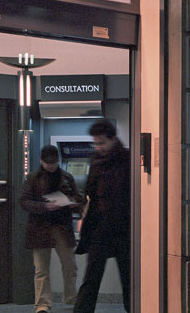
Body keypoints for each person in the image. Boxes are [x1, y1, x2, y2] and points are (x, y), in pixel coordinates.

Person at [19, 145, 87, 313]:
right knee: (41, 269)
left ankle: (71, 298)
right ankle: (42, 304)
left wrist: (73, 202)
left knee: (70, 265)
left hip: (61, 227)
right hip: (40, 228)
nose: (51, 166)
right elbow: (24, 201)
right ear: (41, 161)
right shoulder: (33, 178)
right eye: (48, 163)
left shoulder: (66, 177)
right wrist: (44, 206)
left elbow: (78, 198)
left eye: (54, 162)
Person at [74, 120, 132, 313]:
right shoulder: (95, 160)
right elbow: (90, 191)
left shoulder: (128, 159)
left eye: (101, 143)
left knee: (129, 278)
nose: (98, 147)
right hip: (99, 227)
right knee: (91, 277)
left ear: (113, 139)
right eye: (95, 143)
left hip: (124, 227)